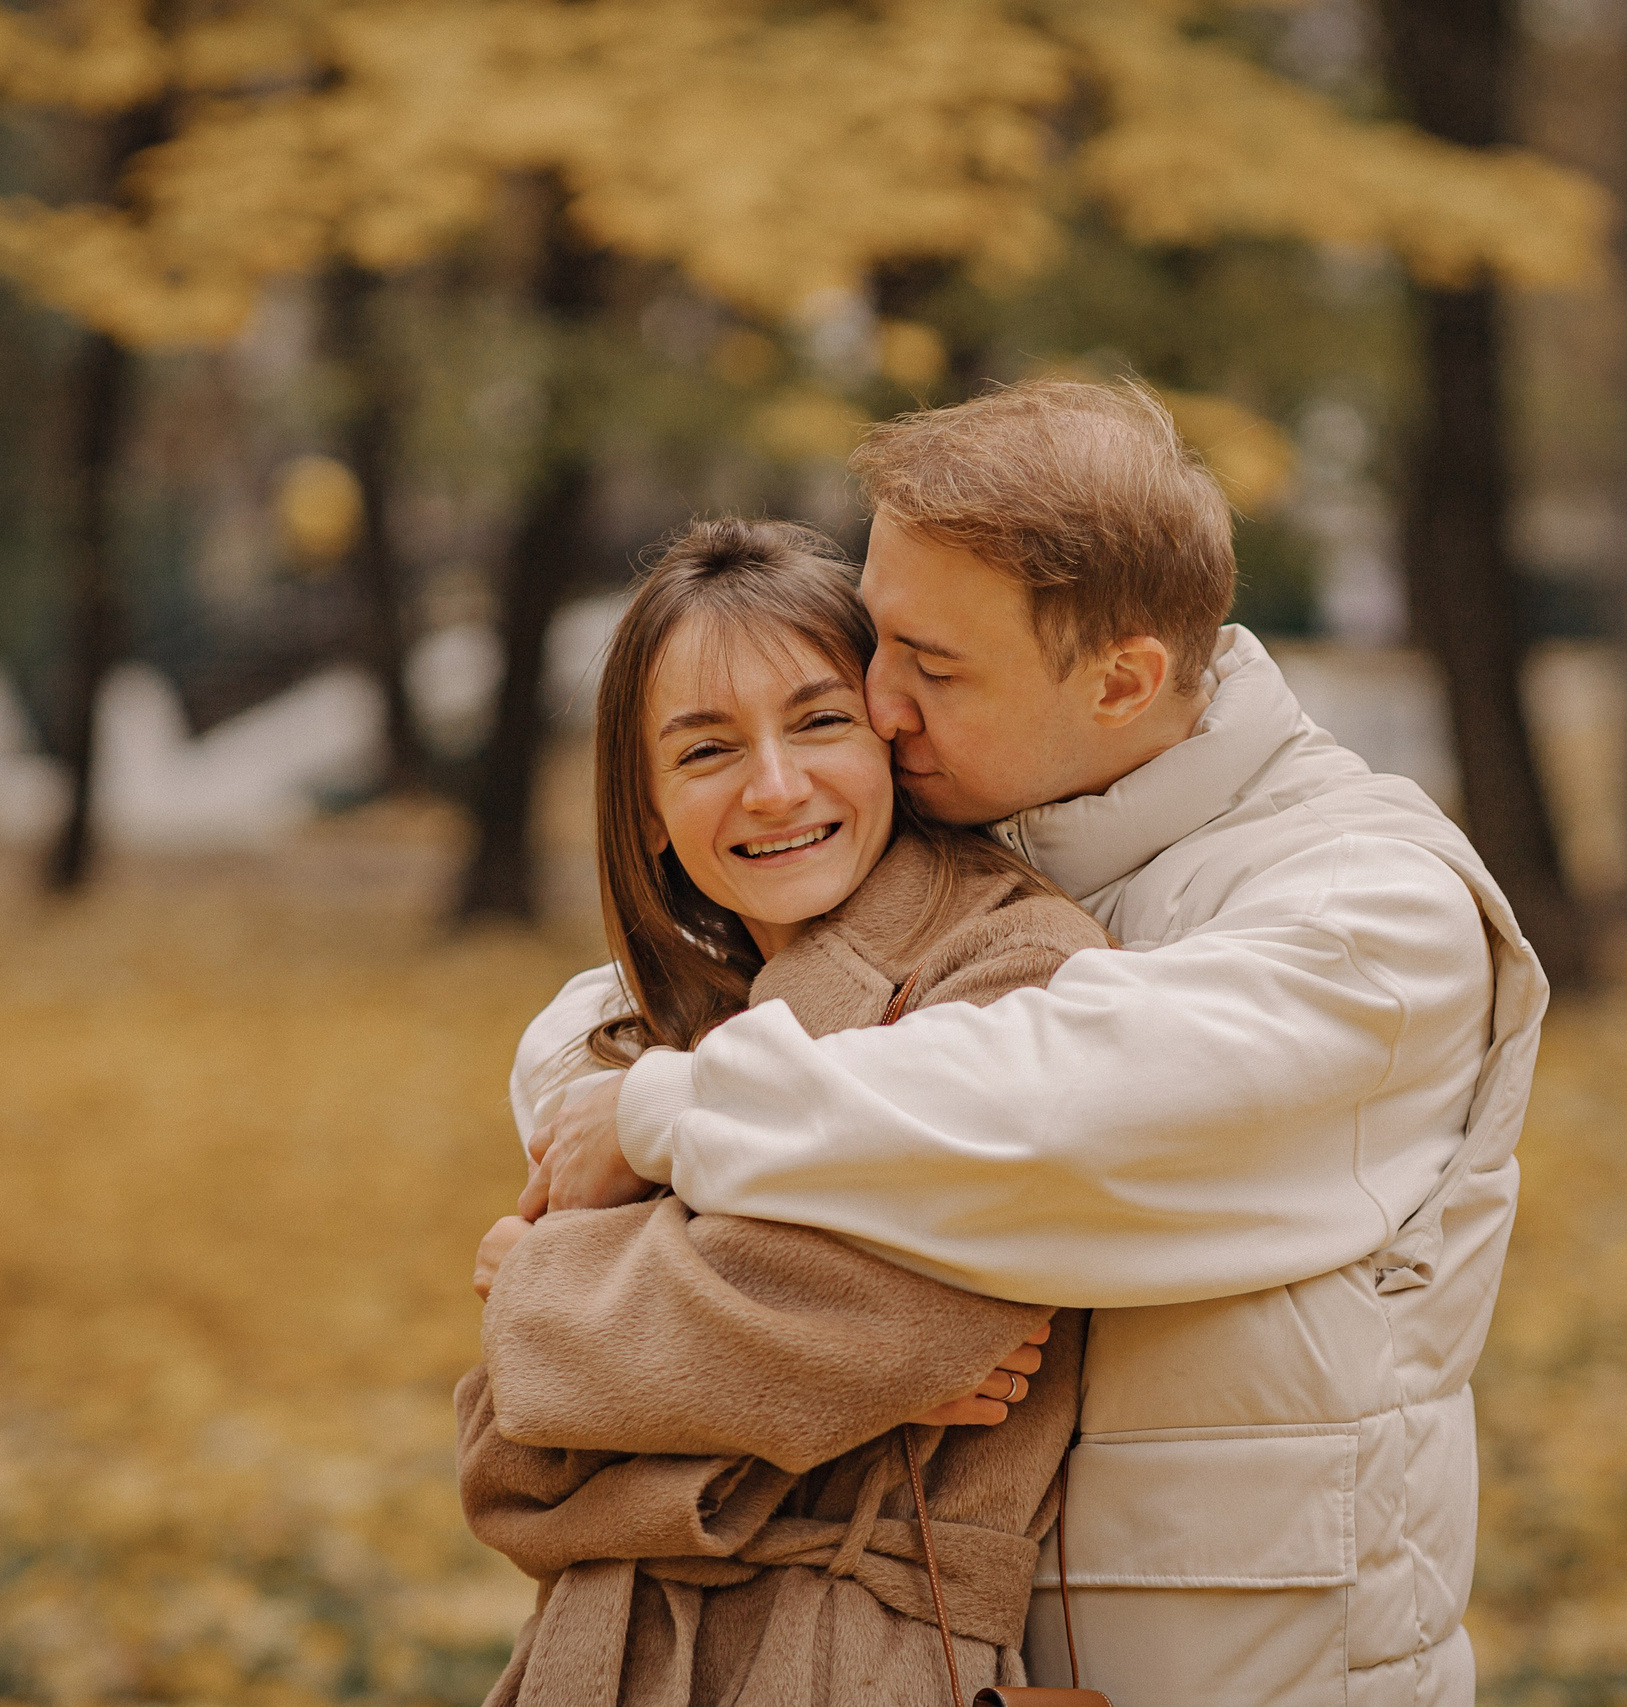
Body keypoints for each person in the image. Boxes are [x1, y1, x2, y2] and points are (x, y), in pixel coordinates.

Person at [514, 380, 1549, 1707]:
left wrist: (652, 1131)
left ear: (1121, 678)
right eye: (878, 641)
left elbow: (1037, 1109)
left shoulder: (1368, 913)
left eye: (930, 664)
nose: (879, 703)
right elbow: (610, 1010)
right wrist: (590, 1110)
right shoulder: (1017, 825)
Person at [458, 517, 1112, 1706]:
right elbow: (507, 1468)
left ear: (894, 741)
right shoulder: (635, 1034)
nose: (774, 787)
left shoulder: (1017, 965)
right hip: (591, 1659)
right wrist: (815, 1385)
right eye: (706, 751)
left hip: (849, 1655)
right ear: (649, 806)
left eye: (820, 722)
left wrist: (546, 1291)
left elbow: (927, 1321)